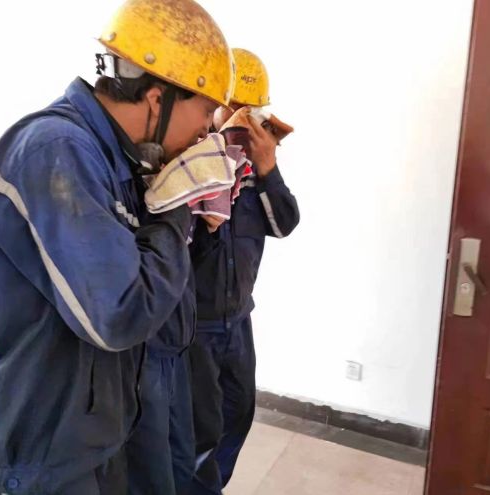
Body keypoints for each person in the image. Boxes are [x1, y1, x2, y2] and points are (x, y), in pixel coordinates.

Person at [0, 0, 233, 493]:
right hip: (38, 452)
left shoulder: (121, 159)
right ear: (157, 98)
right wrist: (175, 206)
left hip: (86, 431)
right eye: (206, 109)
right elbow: (120, 314)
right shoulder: (55, 150)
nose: (207, 130)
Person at [188, 48, 300, 495]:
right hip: (194, 326)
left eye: (249, 111)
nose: (240, 119)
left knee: (238, 413)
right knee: (198, 428)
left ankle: (211, 487)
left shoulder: (256, 171)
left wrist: (268, 169)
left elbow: (284, 224)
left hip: (238, 320)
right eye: (232, 108)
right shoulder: (190, 164)